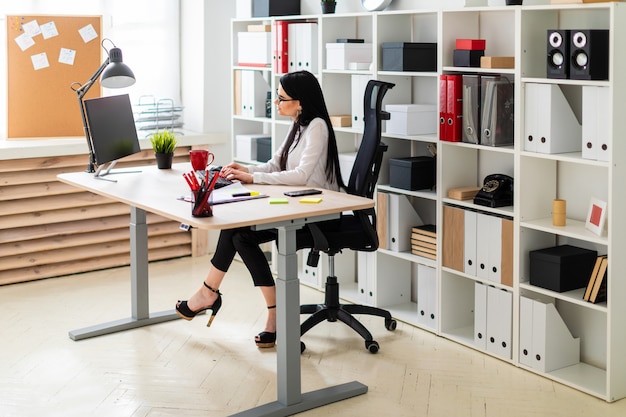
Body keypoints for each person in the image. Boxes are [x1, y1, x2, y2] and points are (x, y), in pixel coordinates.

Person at [175, 70, 344, 348]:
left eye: (281, 98)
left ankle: (210, 295)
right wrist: (245, 170)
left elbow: (301, 175)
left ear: (299, 102)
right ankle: (259, 309)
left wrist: (253, 178)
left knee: (238, 232)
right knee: (239, 233)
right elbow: (276, 166)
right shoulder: (298, 124)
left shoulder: (317, 127)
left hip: (316, 213)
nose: (276, 103)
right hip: (294, 203)